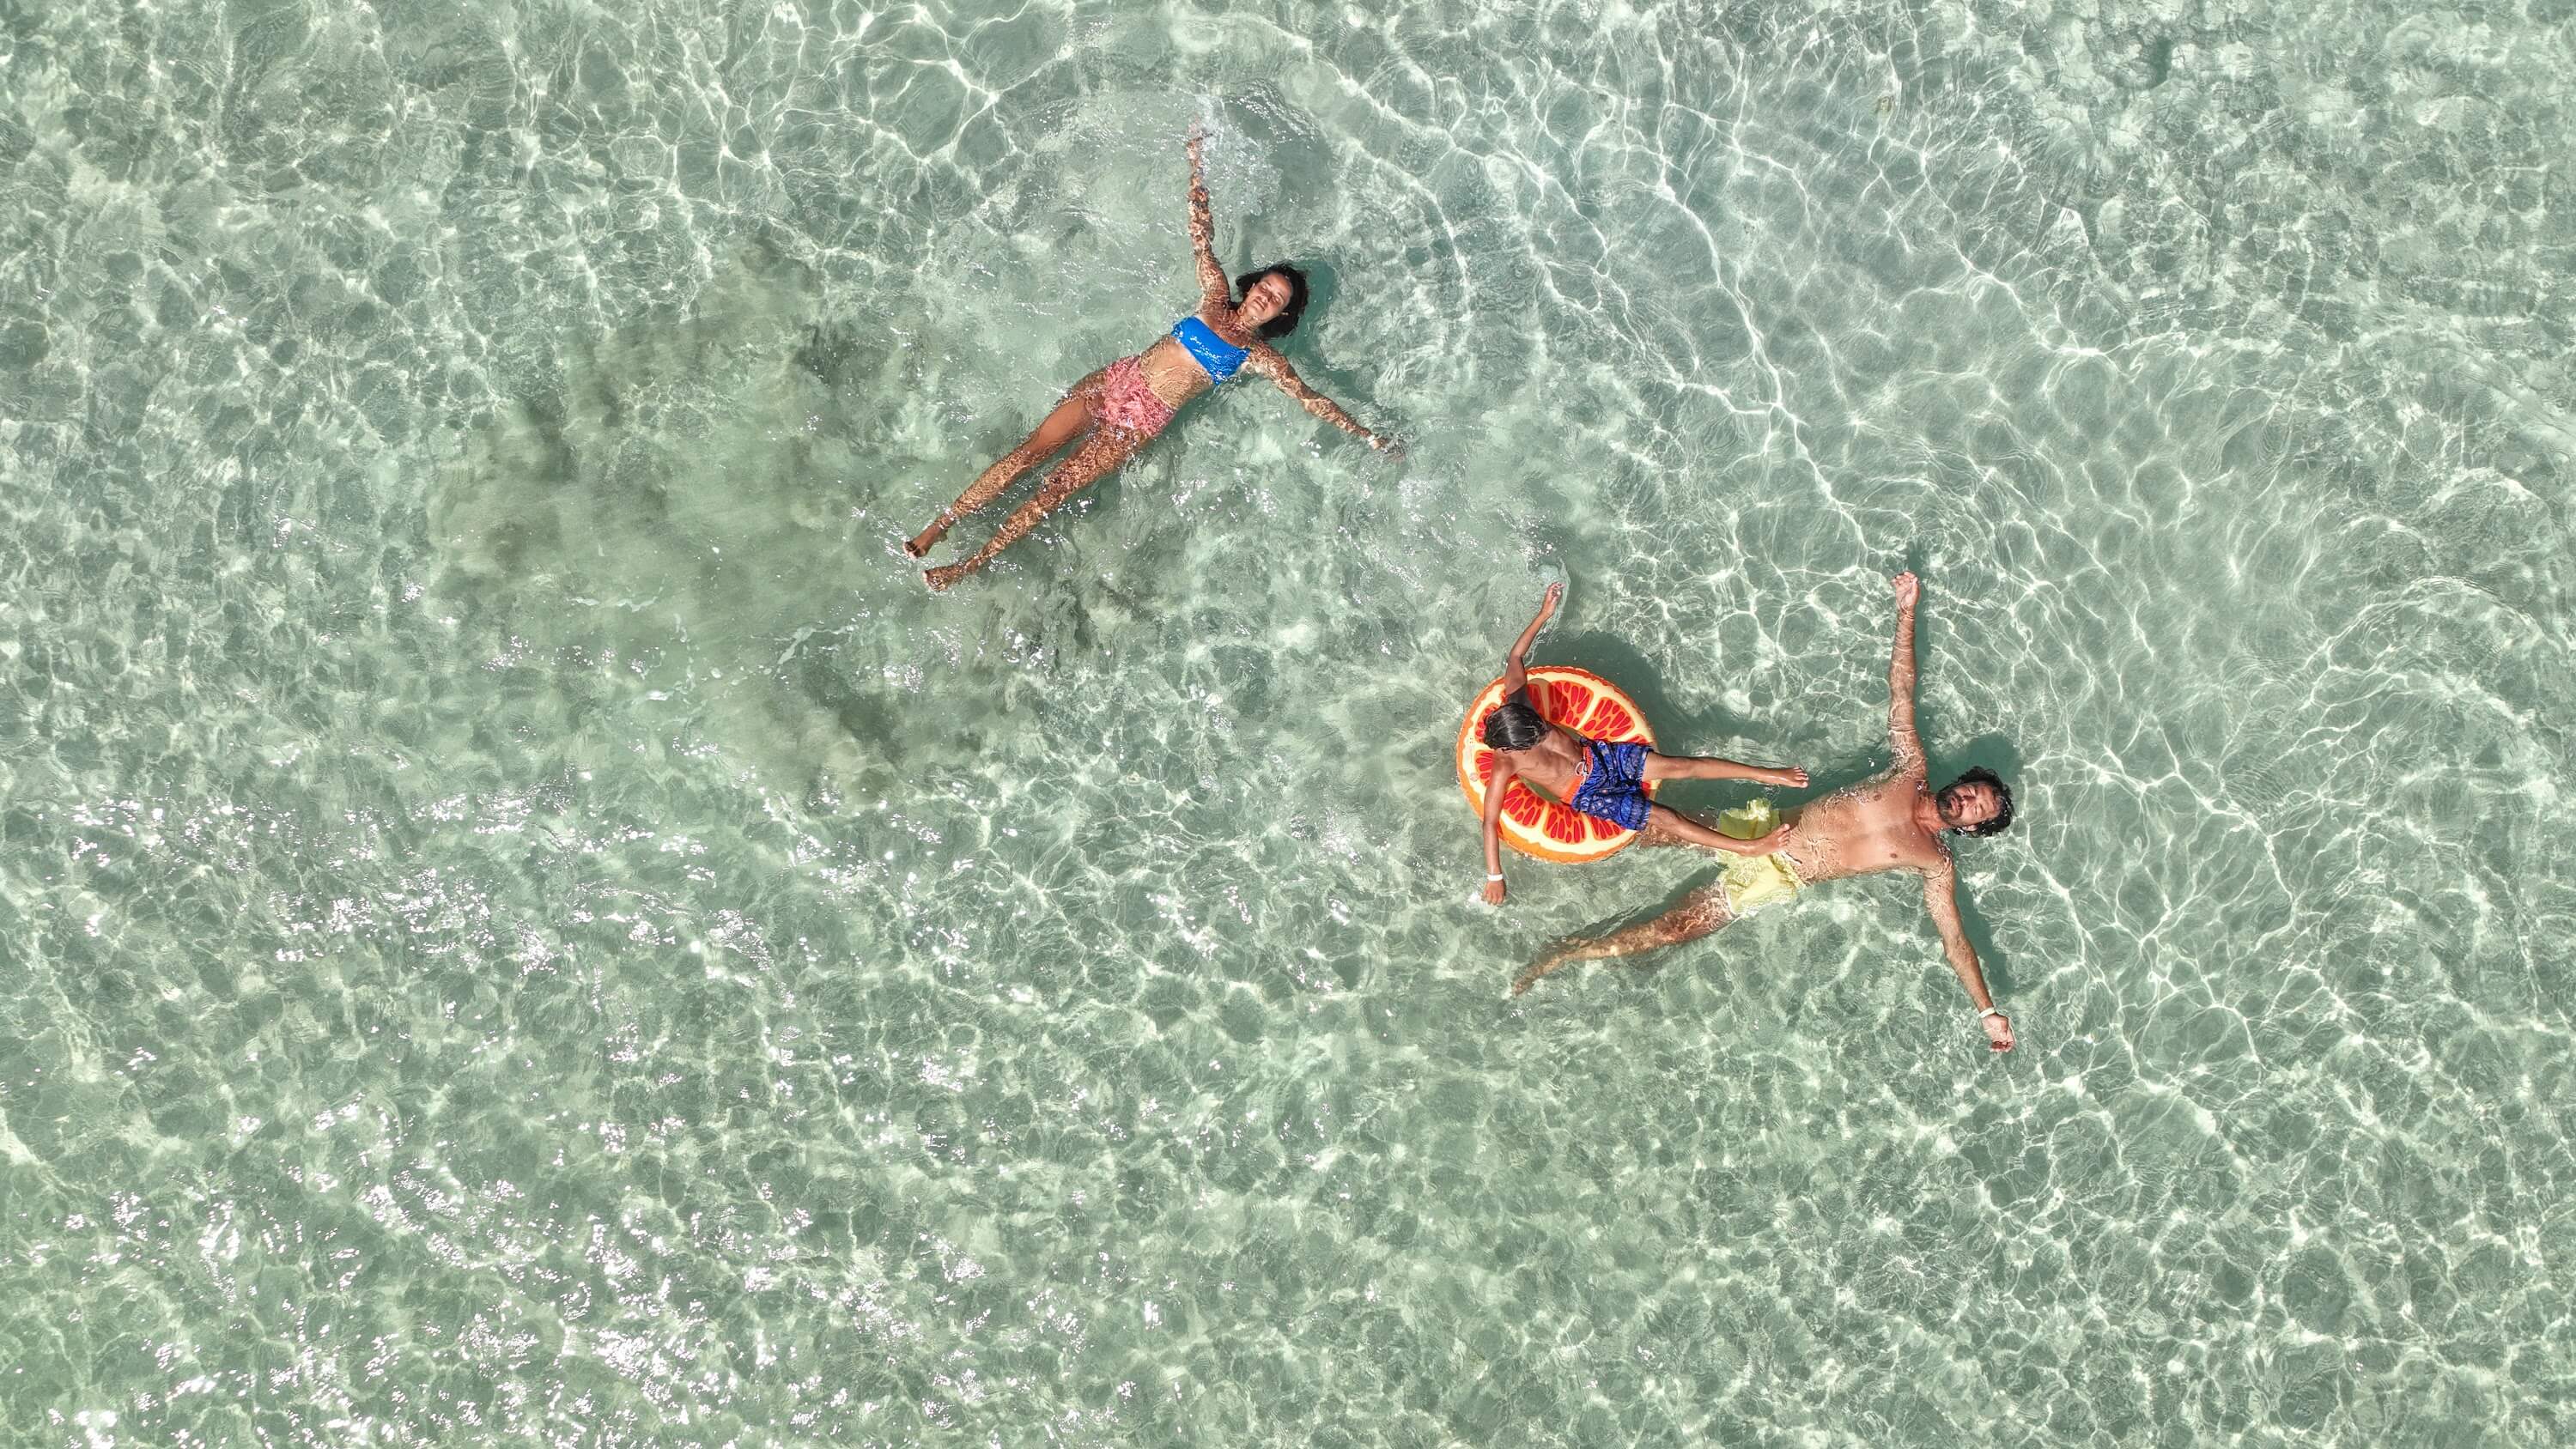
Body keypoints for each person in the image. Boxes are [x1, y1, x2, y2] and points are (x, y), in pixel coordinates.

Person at [1511, 572, 2020, 1054]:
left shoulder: (1935, 862)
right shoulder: (1911, 769)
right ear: (1961, 781)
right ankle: (1536, 803)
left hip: (1778, 878)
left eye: (1979, 809)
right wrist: (1906, 613)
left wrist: (1986, 1011)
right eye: (1974, 789)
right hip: (1758, 826)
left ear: (1973, 828)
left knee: (1671, 930)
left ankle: (1564, 954)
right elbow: (1902, 690)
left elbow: (1955, 938)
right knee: (1639, 831)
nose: (1970, 800)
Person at [905, 129, 1396, 590]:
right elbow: (1200, 234)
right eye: (1267, 285)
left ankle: (969, 564)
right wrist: (1195, 163)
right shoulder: (1213, 296)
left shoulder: (1258, 355)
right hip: (1116, 381)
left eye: (1278, 298)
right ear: (1255, 284)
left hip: (1139, 422)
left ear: (1282, 314)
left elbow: (1310, 399)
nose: (1267, 296)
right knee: (1029, 451)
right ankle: (941, 525)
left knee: (1052, 490)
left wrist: (1367, 435)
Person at [1479, 581, 1810, 904]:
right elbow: (1491, 820)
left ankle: (1767, 774)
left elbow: (1516, 655)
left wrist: (1544, 613)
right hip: (1591, 794)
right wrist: (1495, 876)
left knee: (1683, 766)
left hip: (1602, 758)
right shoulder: (1505, 763)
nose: (1542, 731)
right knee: (1668, 818)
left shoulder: (1519, 703)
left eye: (1539, 726)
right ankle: (1747, 847)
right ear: (1512, 748)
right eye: (1534, 737)